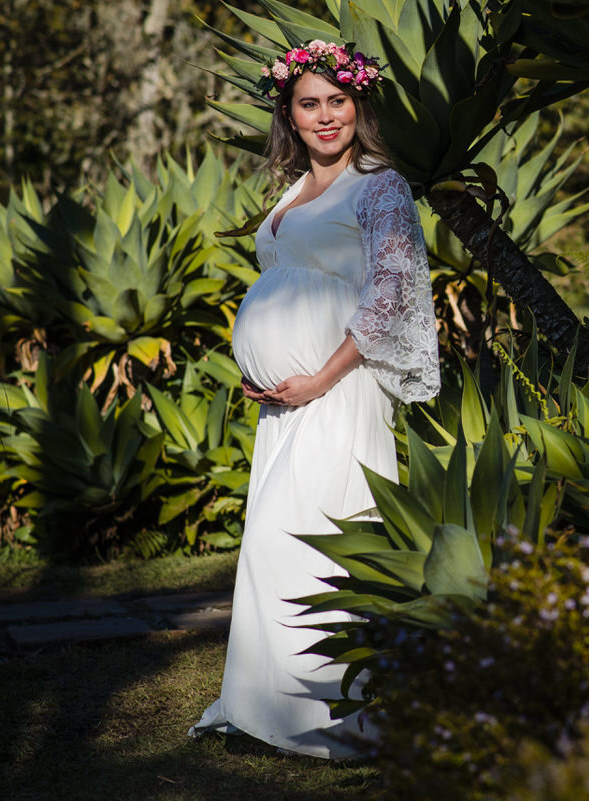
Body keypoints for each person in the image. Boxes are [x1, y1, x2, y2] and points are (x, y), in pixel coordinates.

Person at [188, 40, 439, 758]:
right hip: (285, 404)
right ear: (289, 115)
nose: (326, 116)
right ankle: (265, 705)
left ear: (358, 105)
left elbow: (389, 297)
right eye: (309, 104)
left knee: (307, 541)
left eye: (338, 101)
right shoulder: (291, 190)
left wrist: (320, 376)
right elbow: (286, 288)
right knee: (274, 542)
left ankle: (328, 714)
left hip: (340, 393)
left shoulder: (379, 184)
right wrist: (263, 358)